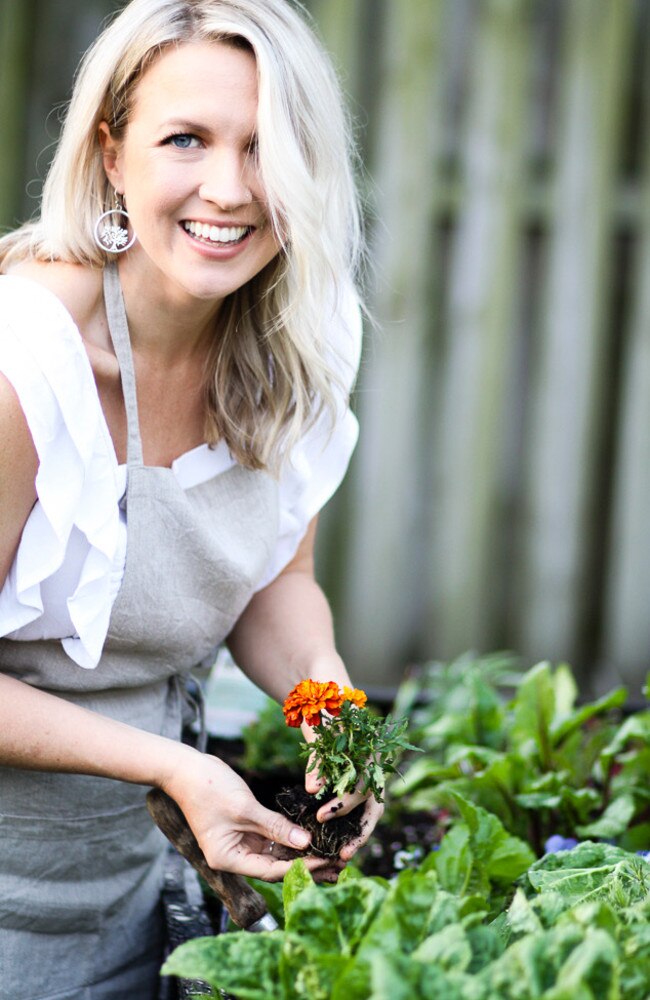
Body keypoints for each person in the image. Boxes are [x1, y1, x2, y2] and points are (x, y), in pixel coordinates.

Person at [0, 0, 382, 995]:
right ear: (112, 152)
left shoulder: (295, 339)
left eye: (267, 148)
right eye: (187, 139)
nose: (229, 188)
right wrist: (173, 765)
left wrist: (331, 713)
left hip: (143, 892)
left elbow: (272, 581)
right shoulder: (24, 363)